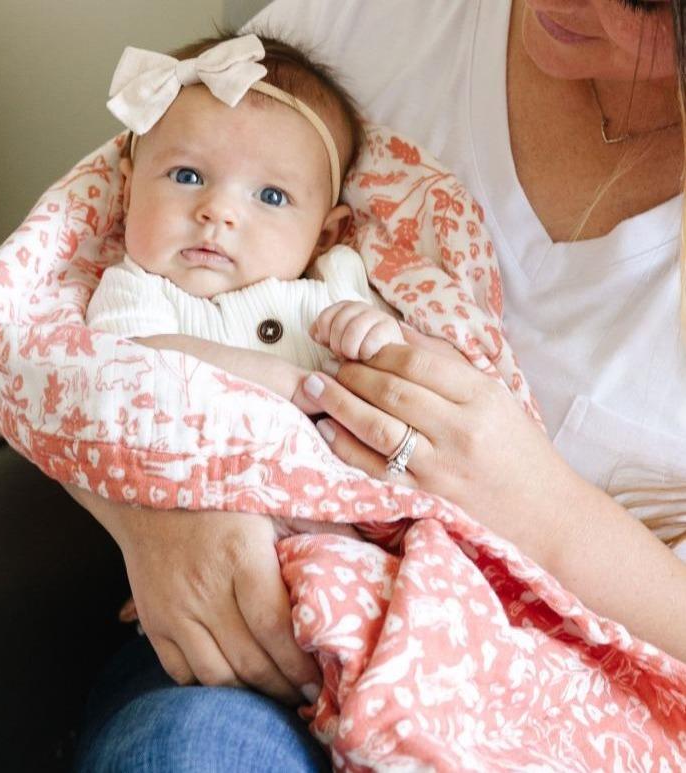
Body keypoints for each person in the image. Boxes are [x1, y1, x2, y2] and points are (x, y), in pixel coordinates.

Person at [71, 1, 686, 770]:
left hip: (536, 689)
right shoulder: (348, 27)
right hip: (244, 641)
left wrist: (545, 510)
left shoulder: (332, 285)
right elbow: (43, 340)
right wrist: (151, 517)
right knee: (190, 750)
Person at [86, 34, 405, 422]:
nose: (218, 212)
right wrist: (281, 384)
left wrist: (376, 336)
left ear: (323, 237)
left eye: (271, 196)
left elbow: (400, 379)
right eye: (187, 176)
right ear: (129, 193)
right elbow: (130, 367)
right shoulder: (135, 289)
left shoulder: (337, 284)